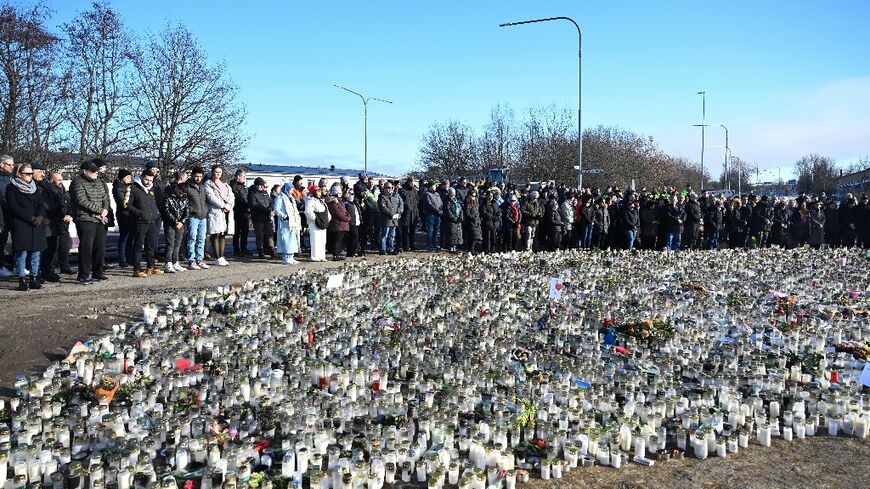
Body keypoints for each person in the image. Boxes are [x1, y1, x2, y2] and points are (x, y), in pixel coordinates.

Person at [6, 163, 46, 291]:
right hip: (22, 223)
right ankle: (21, 279)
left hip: (37, 224)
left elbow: (41, 204)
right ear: (19, 174)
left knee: (36, 252)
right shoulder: (11, 188)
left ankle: (34, 278)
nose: (30, 176)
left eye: (31, 173)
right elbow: (14, 206)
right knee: (21, 252)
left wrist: (39, 216)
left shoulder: (35, 188)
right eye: (27, 173)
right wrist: (30, 217)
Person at [70, 160, 110, 285]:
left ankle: (98, 272)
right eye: (93, 171)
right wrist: (98, 211)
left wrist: (104, 210)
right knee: (86, 248)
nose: (96, 174)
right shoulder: (77, 182)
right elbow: (81, 200)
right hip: (85, 219)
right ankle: (83, 275)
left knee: (100, 247)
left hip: (100, 218)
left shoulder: (99, 182)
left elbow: (105, 197)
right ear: (85, 171)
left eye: (96, 171)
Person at [124, 171, 164, 278]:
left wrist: (156, 213)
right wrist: (139, 213)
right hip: (140, 222)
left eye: (151, 180)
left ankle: (150, 266)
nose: (148, 182)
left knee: (150, 245)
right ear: (142, 177)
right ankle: (136, 269)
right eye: (146, 179)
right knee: (138, 245)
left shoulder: (152, 189)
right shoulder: (132, 188)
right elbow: (126, 204)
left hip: (152, 221)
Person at [33, 163, 61, 283]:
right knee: (39, 250)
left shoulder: (46, 186)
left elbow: (56, 199)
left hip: (52, 221)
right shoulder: (32, 186)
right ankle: (36, 273)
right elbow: (41, 204)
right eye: (40, 171)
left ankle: (47, 271)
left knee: (51, 248)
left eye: (43, 172)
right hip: (41, 221)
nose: (43, 174)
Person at [204, 165, 234, 266]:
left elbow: (231, 196)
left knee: (223, 234)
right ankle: (217, 256)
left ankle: (222, 256)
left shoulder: (225, 184)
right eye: (216, 172)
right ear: (212, 172)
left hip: (226, 212)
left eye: (220, 172)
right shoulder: (208, 184)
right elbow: (211, 198)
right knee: (215, 234)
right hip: (215, 212)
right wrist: (223, 205)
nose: (218, 174)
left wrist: (229, 205)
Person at [185, 167, 210, 270]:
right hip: (193, 216)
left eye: (200, 176)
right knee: (192, 238)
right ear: (192, 175)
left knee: (201, 239)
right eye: (196, 176)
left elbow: (204, 201)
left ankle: (199, 259)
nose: (198, 178)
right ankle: (191, 260)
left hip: (203, 217)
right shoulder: (187, 187)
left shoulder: (203, 187)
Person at [161, 182, 190, 273]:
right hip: (170, 223)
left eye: (184, 194)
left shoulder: (185, 198)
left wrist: (182, 221)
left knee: (178, 244)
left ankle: (175, 262)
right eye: (181, 193)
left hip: (181, 224)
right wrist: (175, 221)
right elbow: (166, 210)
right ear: (177, 189)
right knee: (170, 244)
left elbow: (187, 211)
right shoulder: (168, 196)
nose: (182, 195)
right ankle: (168, 263)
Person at [273, 183, 302, 264]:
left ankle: (291, 256)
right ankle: (286, 256)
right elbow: (277, 209)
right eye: (291, 189)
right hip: (285, 222)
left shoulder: (291, 198)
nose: (292, 191)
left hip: (292, 222)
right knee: (286, 239)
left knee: (292, 239)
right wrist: (284, 216)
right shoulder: (280, 198)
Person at [248, 177, 274, 259]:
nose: (261, 187)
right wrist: (267, 210)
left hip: (267, 217)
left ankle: (271, 251)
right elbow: (254, 205)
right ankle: (260, 251)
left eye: (262, 185)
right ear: (256, 185)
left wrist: (271, 210)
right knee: (259, 235)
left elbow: (270, 202)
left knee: (269, 234)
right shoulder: (252, 193)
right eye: (259, 185)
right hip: (258, 217)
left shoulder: (265, 193)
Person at [113, 169, 134, 268]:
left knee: (130, 237)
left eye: (130, 177)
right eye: (127, 177)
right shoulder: (118, 188)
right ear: (122, 178)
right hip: (123, 215)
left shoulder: (129, 186)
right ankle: (122, 259)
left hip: (130, 214)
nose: (130, 179)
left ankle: (129, 257)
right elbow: (123, 202)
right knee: (124, 237)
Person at [325, 185, 350, 260]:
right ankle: (335, 255)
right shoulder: (332, 202)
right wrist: (346, 218)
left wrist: (348, 216)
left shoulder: (339, 201)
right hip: (337, 223)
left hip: (342, 224)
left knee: (340, 240)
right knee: (336, 240)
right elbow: (337, 213)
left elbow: (344, 210)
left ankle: (338, 254)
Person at [377, 181, 403, 255]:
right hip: (386, 219)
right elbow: (383, 208)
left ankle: (390, 249)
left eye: (391, 188)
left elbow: (397, 206)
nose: (389, 189)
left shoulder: (393, 197)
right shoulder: (382, 197)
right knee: (384, 235)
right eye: (387, 187)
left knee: (392, 236)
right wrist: (391, 214)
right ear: (384, 188)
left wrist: (398, 213)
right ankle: (383, 250)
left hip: (394, 220)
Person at [230, 169, 250, 256]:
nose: (244, 178)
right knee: (237, 231)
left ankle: (244, 248)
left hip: (245, 211)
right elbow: (238, 197)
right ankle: (236, 249)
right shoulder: (233, 185)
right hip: (237, 211)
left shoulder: (244, 187)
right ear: (238, 176)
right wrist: (246, 203)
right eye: (243, 176)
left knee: (245, 231)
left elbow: (247, 197)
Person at [0, 155, 14, 277]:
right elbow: (6, 198)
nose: (12, 167)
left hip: (10, 215)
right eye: (9, 165)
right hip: (2, 216)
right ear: (2, 165)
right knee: (1, 240)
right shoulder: (2, 180)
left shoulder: (11, 178)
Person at [398, 177, 419, 251]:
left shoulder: (414, 190)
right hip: (406, 213)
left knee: (412, 230)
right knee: (405, 230)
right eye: (412, 182)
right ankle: (405, 246)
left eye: (414, 182)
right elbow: (404, 201)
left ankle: (412, 245)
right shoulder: (403, 190)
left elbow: (417, 200)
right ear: (409, 182)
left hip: (414, 212)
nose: (413, 183)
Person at [423, 181, 443, 251]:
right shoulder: (427, 194)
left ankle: (435, 243)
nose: (435, 187)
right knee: (430, 230)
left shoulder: (437, 194)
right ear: (430, 186)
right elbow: (429, 204)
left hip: (438, 215)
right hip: (431, 214)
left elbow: (440, 203)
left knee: (436, 230)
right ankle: (430, 245)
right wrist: (437, 210)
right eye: (434, 186)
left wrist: (441, 209)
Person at [444, 187, 463, 253]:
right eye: (451, 193)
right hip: (451, 221)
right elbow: (448, 211)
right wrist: (455, 218)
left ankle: (455, 247)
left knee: (457, 234)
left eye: (453, 193)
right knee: (452, 234)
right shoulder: (447, 201)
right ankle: (451, 248)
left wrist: (460, 217)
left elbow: (461, 209)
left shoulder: (457, 201)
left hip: (458, 219)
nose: (453, 194)